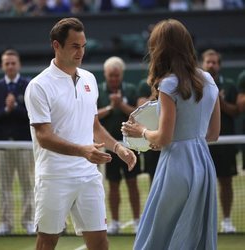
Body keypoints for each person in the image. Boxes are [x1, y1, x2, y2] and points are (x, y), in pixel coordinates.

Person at [24, 17, 136, 250]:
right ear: (57, 45)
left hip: (88, 176)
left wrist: (118, 147)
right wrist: (82, 151)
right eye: (75, 46)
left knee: (100, 244)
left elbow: (94, 126)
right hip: (54, 177)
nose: (81, 52)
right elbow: (43, 137)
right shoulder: (38, 86)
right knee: (47, 243)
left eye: (83, 46)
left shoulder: (90, 79)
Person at [122, 19, 220, 249]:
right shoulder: (209, 80)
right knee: (194, 239)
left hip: (176, 166)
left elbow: (164, 138)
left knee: (157, 237)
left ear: (160, 48)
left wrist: (142, 131)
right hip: (204, 165)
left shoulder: (168, 83)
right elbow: (213, 134)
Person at [97, 56, 141, 234]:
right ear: (106, 75)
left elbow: (138, 114)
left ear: (121, 75)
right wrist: (109, 107)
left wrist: (120, 105)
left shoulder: (131, 90)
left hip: (131, 144)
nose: (113, 79)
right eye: (110, 76)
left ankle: (138, 220)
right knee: (113, 184)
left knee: (132, 182)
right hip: (108, 145)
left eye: (116, 75)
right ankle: (114, 222)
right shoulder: (98, 90)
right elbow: (92, 116)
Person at [0, 49, 34, 235]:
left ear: (18, 65)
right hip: (2, 144)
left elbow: (32, 114)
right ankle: (5, 223)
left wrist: (15, 107)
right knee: (4, 186)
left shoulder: (28, 86)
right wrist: (5, 109)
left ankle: (28, 221)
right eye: (7, 63)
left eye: (13, 63)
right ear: (3, 66)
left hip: (24, 144)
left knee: (27, 184)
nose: (10, 66)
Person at [201, 49, 239, 233]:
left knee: (226, 181)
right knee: (201, 183)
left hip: (225, 141)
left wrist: (218, 100)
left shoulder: (230, 86)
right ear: (202, 63)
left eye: (214, 62)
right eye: (208, 62)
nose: (211, 65)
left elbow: (236, 111)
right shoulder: (196, 85)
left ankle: (226, 220)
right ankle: (203, 222)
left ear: (220, 65)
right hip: (202, 142)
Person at [137, 78, 160, 184]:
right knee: (153, 178)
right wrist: (156, 95)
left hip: (167, 139)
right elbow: (141, 106)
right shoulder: (144, 84)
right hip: (151, 140)